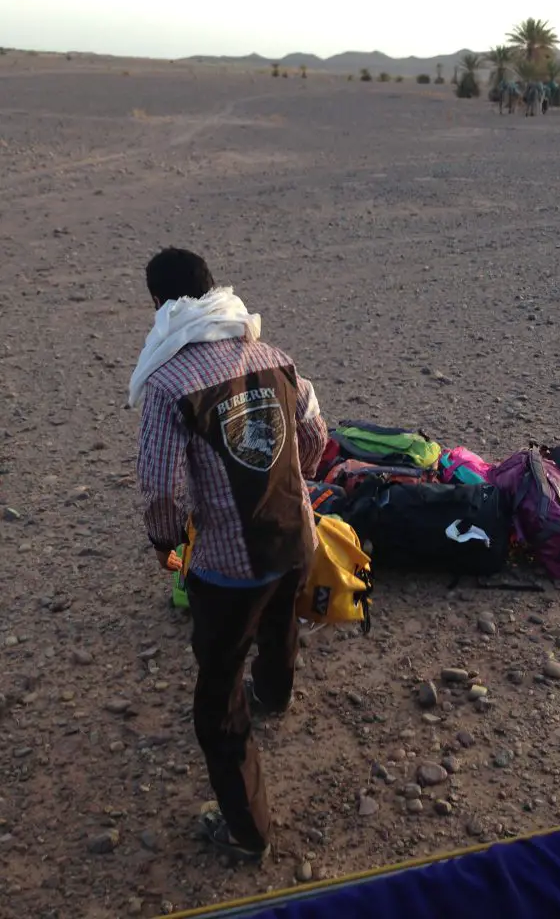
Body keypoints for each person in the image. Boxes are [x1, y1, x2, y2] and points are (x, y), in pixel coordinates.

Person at [130, 247, 327, 863]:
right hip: (294, 537)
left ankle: (248, 831)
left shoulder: (166, 384)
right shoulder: (277, 358)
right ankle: (277, 692)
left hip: (224, 561)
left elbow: (160, 488)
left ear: (160, 307)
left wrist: (168, 546)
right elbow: (317, 437)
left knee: (217, 696)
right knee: (279, 619)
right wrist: (290, 487)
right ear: (217, 291)